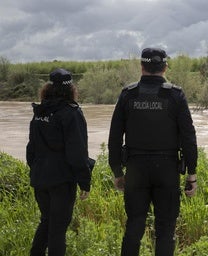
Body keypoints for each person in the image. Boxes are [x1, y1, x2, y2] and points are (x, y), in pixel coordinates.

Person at [108, 47, 198, 256]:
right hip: (167, 170)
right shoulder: (175, 95)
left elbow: (114, 137)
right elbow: (188, 137)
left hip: (136, 168)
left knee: (134, 227)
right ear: (165, 67)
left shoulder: (128, 95)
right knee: (166, 230)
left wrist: (117, 172)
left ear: (142, 67)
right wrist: (191, 174)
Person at [26, 68, 93, 256]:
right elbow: (77, 153)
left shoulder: (40, 111)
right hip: (62, 180)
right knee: (57, 229)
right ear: (71, 88)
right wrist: (84, 181)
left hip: (41, 179)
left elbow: (31, 149)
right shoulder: (71, 113)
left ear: (48, 87)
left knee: (47, 222)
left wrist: (38, 169)